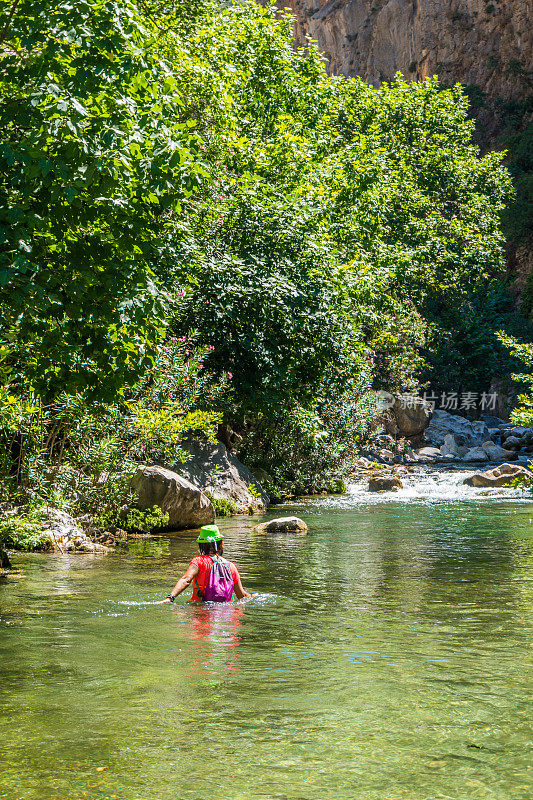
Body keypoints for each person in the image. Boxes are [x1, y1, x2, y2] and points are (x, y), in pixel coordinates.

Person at [160, 525, 251, 603]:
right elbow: (241, 595)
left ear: (201, 545)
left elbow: (186, 580)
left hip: (200, 611)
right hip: (226, 613)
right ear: (221, 543)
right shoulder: (230, 566)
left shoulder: (199, 561)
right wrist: (255, 596)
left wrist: (170, 598)